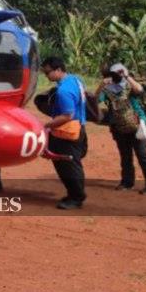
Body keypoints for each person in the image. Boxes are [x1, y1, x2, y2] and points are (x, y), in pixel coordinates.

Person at [95, 63, 146, 195]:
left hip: (137, 125)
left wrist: (127, 77)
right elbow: (96, 99)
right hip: (118, 126)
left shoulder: (129, 85)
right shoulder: (108, 88)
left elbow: (139, 90)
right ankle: (127, 182)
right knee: (125, 155)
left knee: (142, 155)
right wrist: (101, 85)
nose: (116, 77)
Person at [40, 56, 87, 210]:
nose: (47, 76)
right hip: (80, 128)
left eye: (48, 73)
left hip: (66, 132)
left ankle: (76, 197)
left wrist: (46, 125)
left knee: (67, 166)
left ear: (58, 70)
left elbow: (67, 115)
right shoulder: (76, 79)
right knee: (73, 164)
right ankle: (75, 194)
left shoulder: (63, 91)